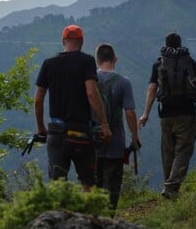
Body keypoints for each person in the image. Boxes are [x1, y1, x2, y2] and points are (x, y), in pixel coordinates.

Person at [34, 25, 111, 192]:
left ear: (63, 41)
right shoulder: (87, 61)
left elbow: (39, 99)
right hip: (81, 133)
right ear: (81, 41)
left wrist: (40, 127)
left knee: (57, 184)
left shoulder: (49, 63)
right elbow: (92, 93)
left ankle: (59, 217)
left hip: (57, 132)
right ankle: (88, 216)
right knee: (88, 184)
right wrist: (104, 125)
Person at [138, 33, 196, 199]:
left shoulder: (159, 63)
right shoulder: (191, 63)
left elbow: (151, 89)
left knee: (168, 152)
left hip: (166, 114)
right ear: (180, 44)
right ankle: (171, 187)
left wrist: (145, 114)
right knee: (183, 151)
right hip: (187, 113)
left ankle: (169, 187)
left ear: (166, 44)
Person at [94, 43, 140, 210]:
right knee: (112, 187)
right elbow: (129, 113)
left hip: (92, 142)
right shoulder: (123, 82)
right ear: (115, 59)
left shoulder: (90, 82)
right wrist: (135, 136)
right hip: (115, 143)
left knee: (93, 186)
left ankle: (93, 220)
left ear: (97, 60)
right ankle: (108, 219)